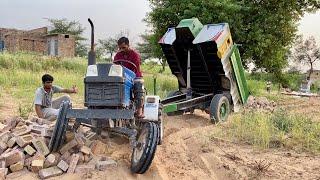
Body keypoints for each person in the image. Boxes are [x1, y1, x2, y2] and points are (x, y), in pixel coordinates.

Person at [114, 37, 144, 118]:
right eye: (120, 48)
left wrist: (129, 75)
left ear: (128, 45)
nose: (122, 50)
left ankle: (139, 110)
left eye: (124, 47)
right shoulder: (118, 55)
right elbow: (115, 67)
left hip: (134, 75)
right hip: (122, 75)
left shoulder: (135, 55)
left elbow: (135, 68)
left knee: (138, 84)